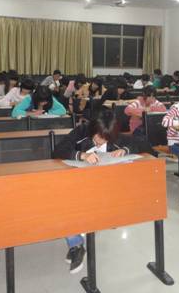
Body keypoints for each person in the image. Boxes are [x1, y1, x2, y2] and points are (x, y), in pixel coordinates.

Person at [52, 109, 142, 274]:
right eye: (98, 137)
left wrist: (125, 150)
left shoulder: (115, 136)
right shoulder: (82, 131)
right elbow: (58, 150)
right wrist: (81, 155)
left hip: (104, 188)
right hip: (76, 184)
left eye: (105, 138)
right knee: (67, 204)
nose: (101, 142)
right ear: (92, 129)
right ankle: (76, 244)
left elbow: (140, 145)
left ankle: (80, 239)